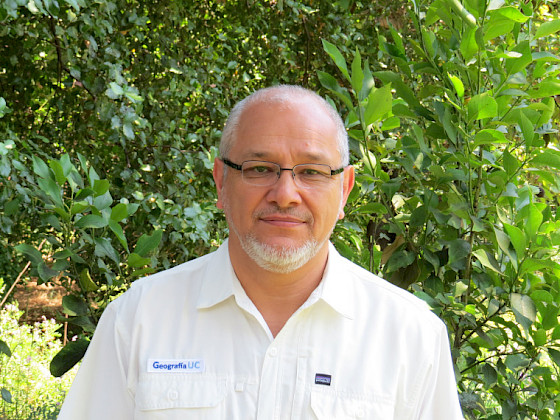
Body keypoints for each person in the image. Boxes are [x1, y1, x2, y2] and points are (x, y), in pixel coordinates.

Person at [58, 85, 464, 419]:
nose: (285, 195)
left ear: (344, 190)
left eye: (312, 172)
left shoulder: (412, 338)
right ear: (221, 182)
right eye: (258, 169)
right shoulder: (138, 321)